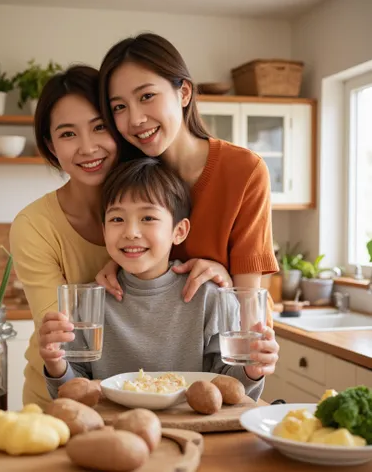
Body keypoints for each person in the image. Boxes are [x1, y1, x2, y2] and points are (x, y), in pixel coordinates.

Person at [41, 158, 279, 401]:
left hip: (194, 428)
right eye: (117, 219)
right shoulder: (91, 301)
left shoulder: (209, 296)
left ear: (179, 231)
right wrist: (55, 364)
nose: (131, 232)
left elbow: (233, 389)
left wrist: (253, 368)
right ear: (104, 231)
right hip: (114, 431)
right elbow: (72, 391)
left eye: (148, 218)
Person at [96, 33, 279, 324]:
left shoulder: (244, 170)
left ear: (183, 93)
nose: (135, 119)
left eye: (146, 96)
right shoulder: (126, 176)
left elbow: (249, 299)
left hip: (228, 344)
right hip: (158, 347)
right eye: (119, 106)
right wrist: (117, 263)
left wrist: (224, 281)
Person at [9, 65, 119, 409]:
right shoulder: (34, 225)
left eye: (99, 127)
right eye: (68, 134)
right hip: (57, 398)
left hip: (138, 391)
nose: (88, 148)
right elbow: (63, 337)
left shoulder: (159, 206)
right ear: (50, 145)